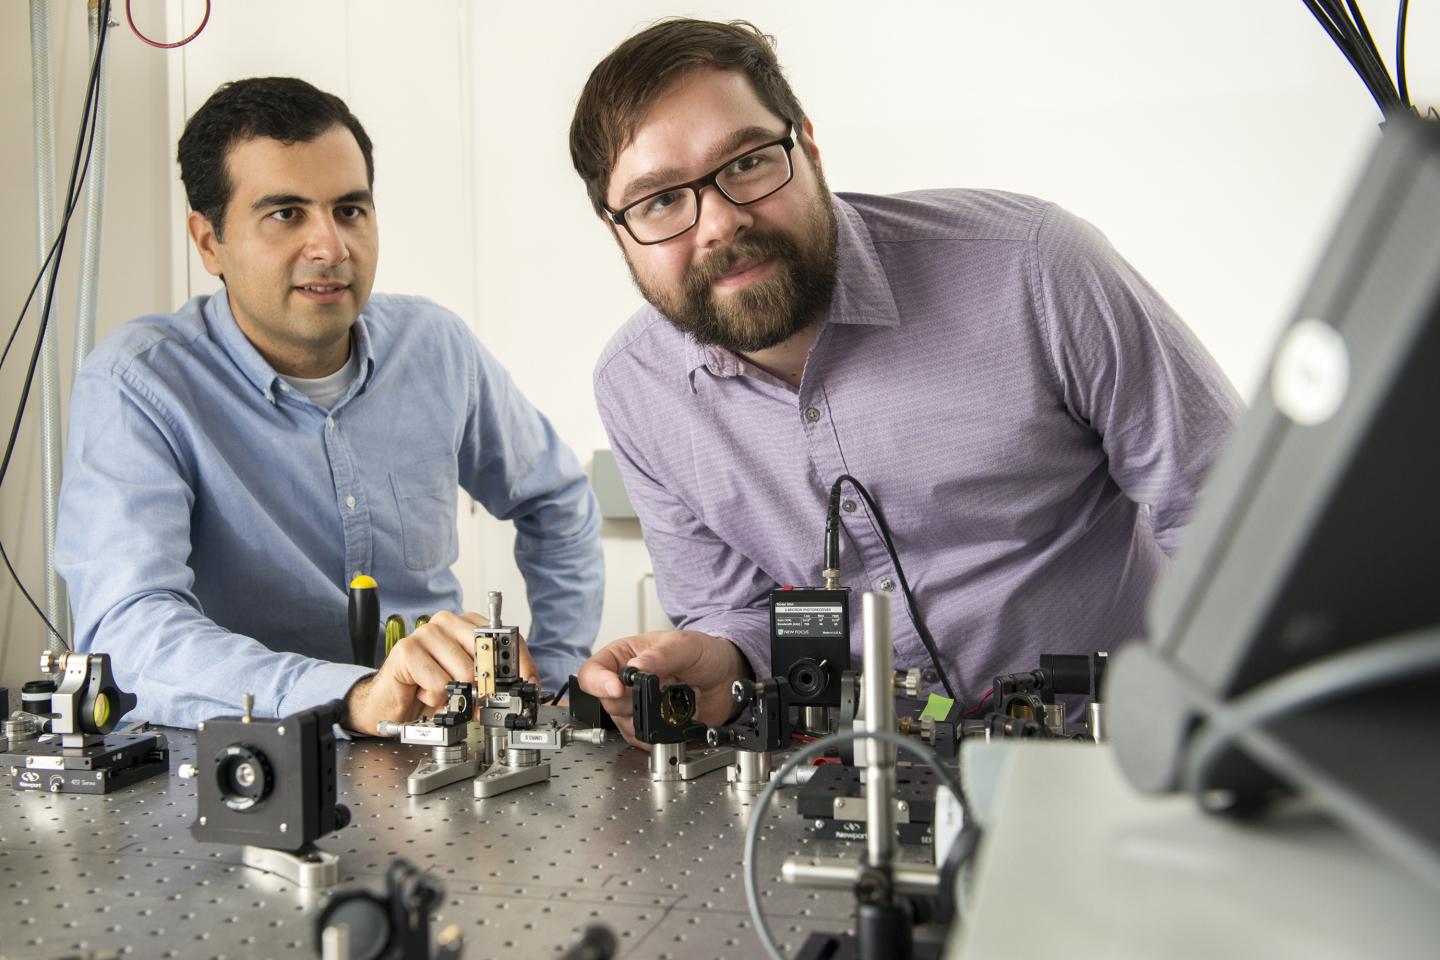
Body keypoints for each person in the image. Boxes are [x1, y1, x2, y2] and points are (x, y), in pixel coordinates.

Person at [570, 19, 1242, 745]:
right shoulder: (637, 389)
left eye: (748, 163)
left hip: (1121, 754)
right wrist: (720, 663)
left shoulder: (1036, 268)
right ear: (617, 234)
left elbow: (1231, 518)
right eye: (661, 201)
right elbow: (735, 616)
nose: (720, 223)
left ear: (810, 148)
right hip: (865, 775)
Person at [56, 78, 602, 733]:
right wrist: (355, 695)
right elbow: (130, 629)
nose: (331, 247)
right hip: (243, 764)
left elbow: (558, 505)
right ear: (209, 243)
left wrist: (556, 681)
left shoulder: (436, 348)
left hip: (434, 752)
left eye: (350, 210)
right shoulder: (139, 383)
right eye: (286, 214)